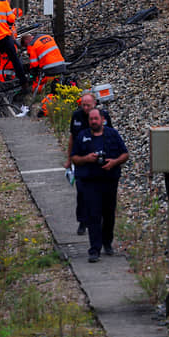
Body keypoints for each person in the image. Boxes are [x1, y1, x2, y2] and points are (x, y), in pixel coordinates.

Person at [71, 108, 129, 263]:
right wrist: (87, 159)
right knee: (93, 215)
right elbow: (74, 158)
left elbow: (125, 154)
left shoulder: (112, 134)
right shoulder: (83, 136)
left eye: (96, 119)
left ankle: (107, 242)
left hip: (109, 181)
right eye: (91, 119)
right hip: (90, 182)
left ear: (102, 119)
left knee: (109, 214)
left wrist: (114, 162)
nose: (94, 122)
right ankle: (94, 249)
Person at [64, 93, 113, 237]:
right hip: (82, 159)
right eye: (83, 105)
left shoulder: (104, 117)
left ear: (94, 104)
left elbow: (110, 136)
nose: (85, 108)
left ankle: (101, 222)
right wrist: (69, 159)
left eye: (88, 105)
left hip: (99, 159)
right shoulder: (77, 116)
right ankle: (82, 221)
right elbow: (72, 138)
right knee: (82, 192)